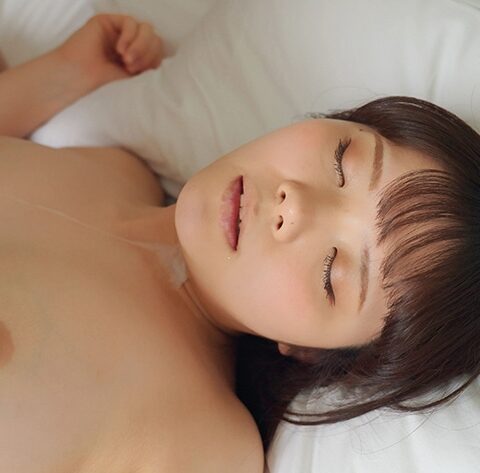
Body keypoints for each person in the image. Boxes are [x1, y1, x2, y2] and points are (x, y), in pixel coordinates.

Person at [1, 12, 479, 473]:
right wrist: (61, 75)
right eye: (341, 162)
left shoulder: (198, 440)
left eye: (331, 273)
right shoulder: (116, 171)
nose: (296, 207)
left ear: (312, 351)